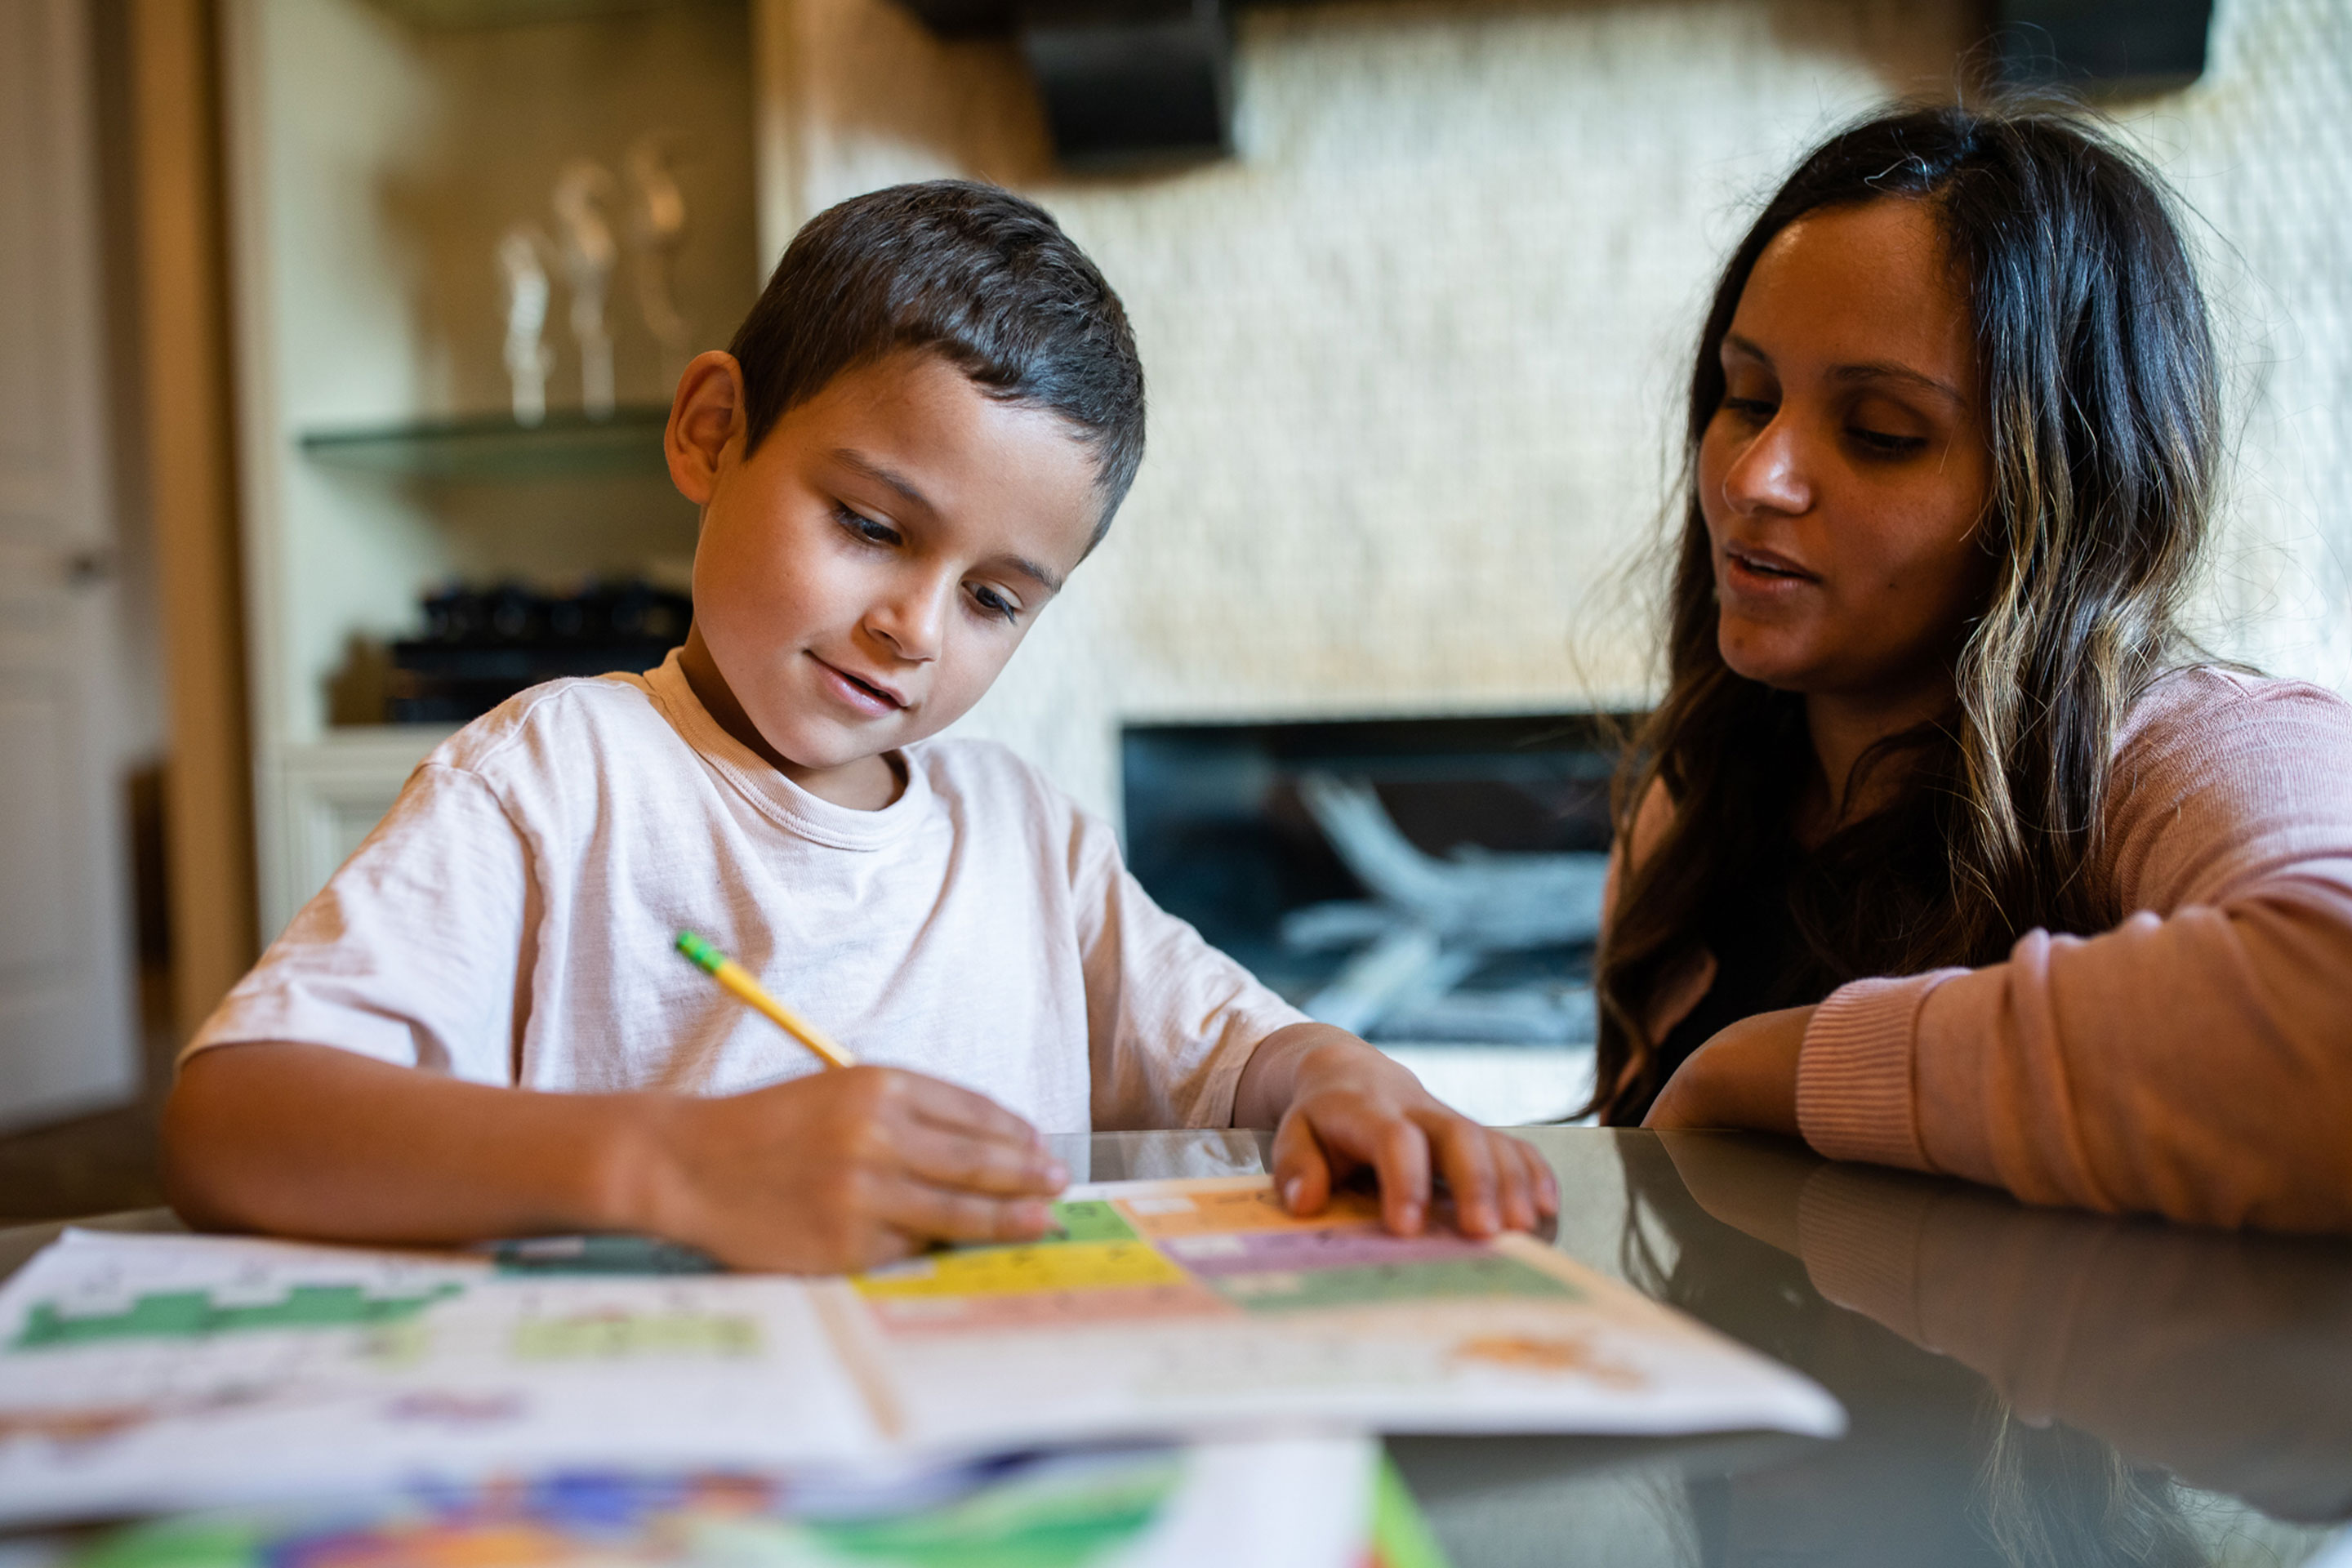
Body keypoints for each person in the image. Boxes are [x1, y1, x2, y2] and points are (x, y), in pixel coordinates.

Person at [165, 181, 1557, 1272]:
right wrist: (677, 1168)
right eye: (871, 526)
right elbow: (239, 1120)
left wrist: (1350, 1079)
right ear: (714, 433)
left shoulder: (1022, 838)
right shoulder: (555, 778)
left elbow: (1248, 1054)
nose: (917, 627)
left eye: (998, 599)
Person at [1596, 101, 2352, 1231]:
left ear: (2071, 497)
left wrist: (1787, 1072)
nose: (1756, 478)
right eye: (1747, 399)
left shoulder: (2186, 752)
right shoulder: (1689, 802)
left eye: (1882, 433)